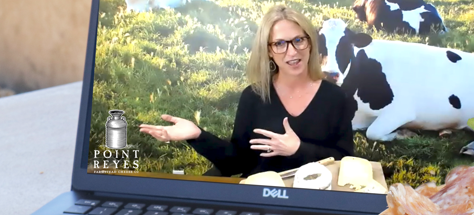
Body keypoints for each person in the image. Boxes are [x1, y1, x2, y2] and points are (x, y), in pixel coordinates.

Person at [139, 5, 355, 177]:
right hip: (259, 198)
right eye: (280, 44)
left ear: (310, 43)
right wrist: (197, 135)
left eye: (299, 40)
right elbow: (238, 161)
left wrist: (298, 149)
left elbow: (345, 160)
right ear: (269, 51)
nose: (292, 51)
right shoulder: (254, 96)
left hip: (313, 200)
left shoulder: (336, 97)